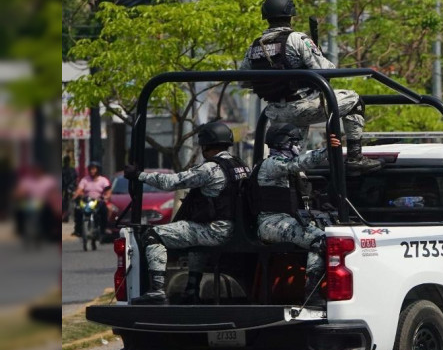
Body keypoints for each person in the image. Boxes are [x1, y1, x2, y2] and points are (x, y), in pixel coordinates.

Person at [240, 0, 380, 173]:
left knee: (291, 163)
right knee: (354, 100)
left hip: (275, 113)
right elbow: (327, 69)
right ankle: (355, 156)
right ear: (291, 15)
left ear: (266, 17)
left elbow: (244, 80)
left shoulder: (255, 46)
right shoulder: (297, 39)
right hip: (302, 107)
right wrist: (317, 55)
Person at [123, 121, 250, 305]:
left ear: (206, 146)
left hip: (215, 231)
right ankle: (191, 290)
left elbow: (171, 182)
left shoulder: (210, 169)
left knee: (153, 235)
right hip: (235, 229)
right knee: (194, 236)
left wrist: (139, 175)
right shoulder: (241, 165)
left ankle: (157, 291)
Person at [250, 123, 339, 306]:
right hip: (270, 223)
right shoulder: (272, 165)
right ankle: (312, 293)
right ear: (284, 143)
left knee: (333, 235)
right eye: (295, 142)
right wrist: (326, 150)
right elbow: (297, 163)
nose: (299, 146)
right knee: (320, 240)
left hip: (286, 220)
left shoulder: (285, 167)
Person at [72, 161, 110, 237]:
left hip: (99, 201)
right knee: (77, 210)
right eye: (90, 169)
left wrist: (106, 197)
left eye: (93, 169)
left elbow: (108, 191)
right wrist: (75, 196)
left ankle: (103, 229)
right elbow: (79, 190)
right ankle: (78, 229)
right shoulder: (85, 180)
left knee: (105, 210)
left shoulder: (103, 180)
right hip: (87, 201)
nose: (92, 171)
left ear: (98, 170)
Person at [62, 156, 78, 222]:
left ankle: (67, 216)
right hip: (69, 187)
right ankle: (67, 216)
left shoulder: (64, 169)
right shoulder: (72, 169)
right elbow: (75, 178)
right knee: (68, 202)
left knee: (67, 202)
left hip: (68, 187)